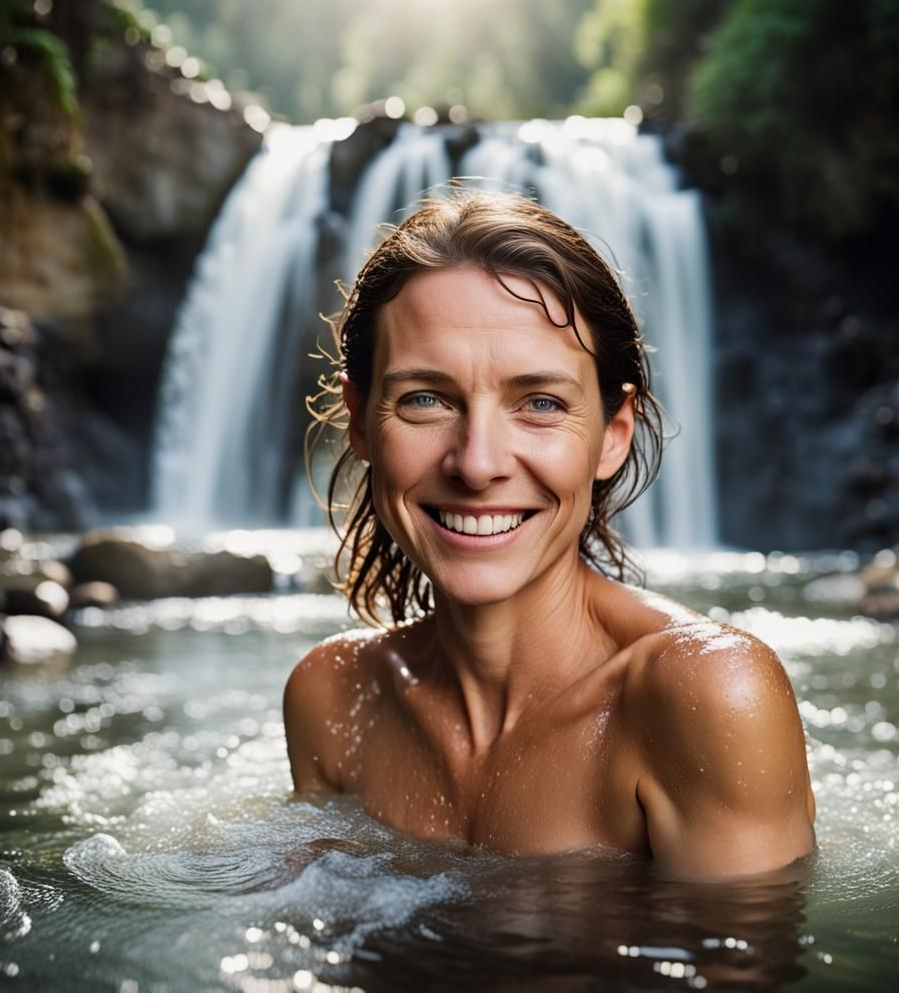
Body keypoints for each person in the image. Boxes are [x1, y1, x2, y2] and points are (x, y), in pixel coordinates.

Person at [284, 188, 816, 881]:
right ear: (359, 421)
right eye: (426, 399)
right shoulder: (333, 697)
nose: (478, 463)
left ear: (613, 435)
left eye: (540, 403)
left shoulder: (706, 695)